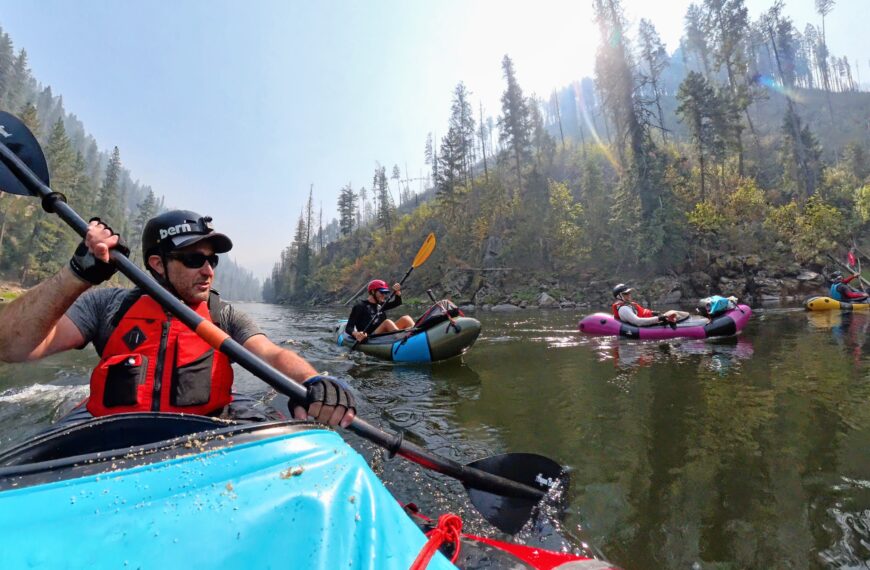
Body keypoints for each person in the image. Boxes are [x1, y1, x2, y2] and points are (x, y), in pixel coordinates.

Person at [0, 210, 355, 428]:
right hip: (112, 440)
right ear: (157, 264)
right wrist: (77, 274)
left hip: (202, 436)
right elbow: (11, 346)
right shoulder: (107, 306)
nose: (207, 270)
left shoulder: (223, 315)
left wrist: (314, 380)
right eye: (194, 260)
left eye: (212, 261)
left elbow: (272, 354)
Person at [345, 279, 415, 342]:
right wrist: (356, 334)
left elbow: (397, 302)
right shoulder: (360, 306)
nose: (384, 295)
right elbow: (349, 327)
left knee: (406, 318)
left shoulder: (381, 304)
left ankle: (416, 334)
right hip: (370, 337)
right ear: (373, 292)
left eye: (385, 293)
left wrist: (397, 293)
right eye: (381, 292)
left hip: (383, 334)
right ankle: (402, 340)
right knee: (387, 322)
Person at [611, 283, 678, 327]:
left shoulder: (628, 304)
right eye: (626, 293)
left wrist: (653, 313)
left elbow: (642, 312)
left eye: (629, 292)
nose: (629, 294)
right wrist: (659, 318)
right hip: (643, 326)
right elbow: (638, 321)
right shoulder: (623, 309)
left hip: (647, 319)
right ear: (619, 296)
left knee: (672, 314)